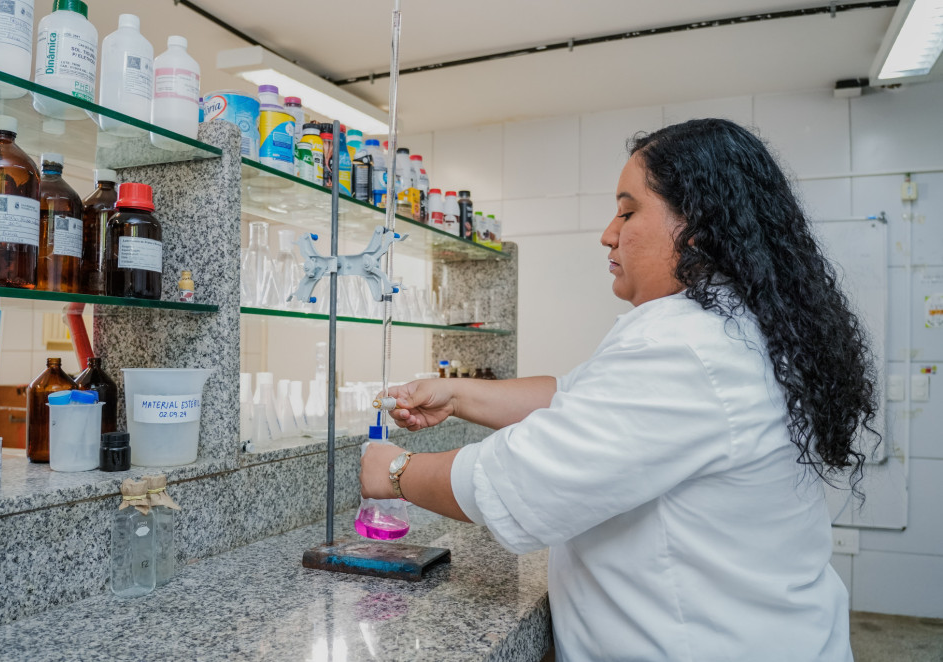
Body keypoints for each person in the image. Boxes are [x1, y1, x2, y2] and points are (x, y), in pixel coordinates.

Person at [360, 118, 878, 661]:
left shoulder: (685, 346)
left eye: (628, 212)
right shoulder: (732, 325)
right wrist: (458, 394)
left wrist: (396, 472)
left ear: (696, 225)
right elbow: (574, 398)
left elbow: (521, 483)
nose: (609, 233)